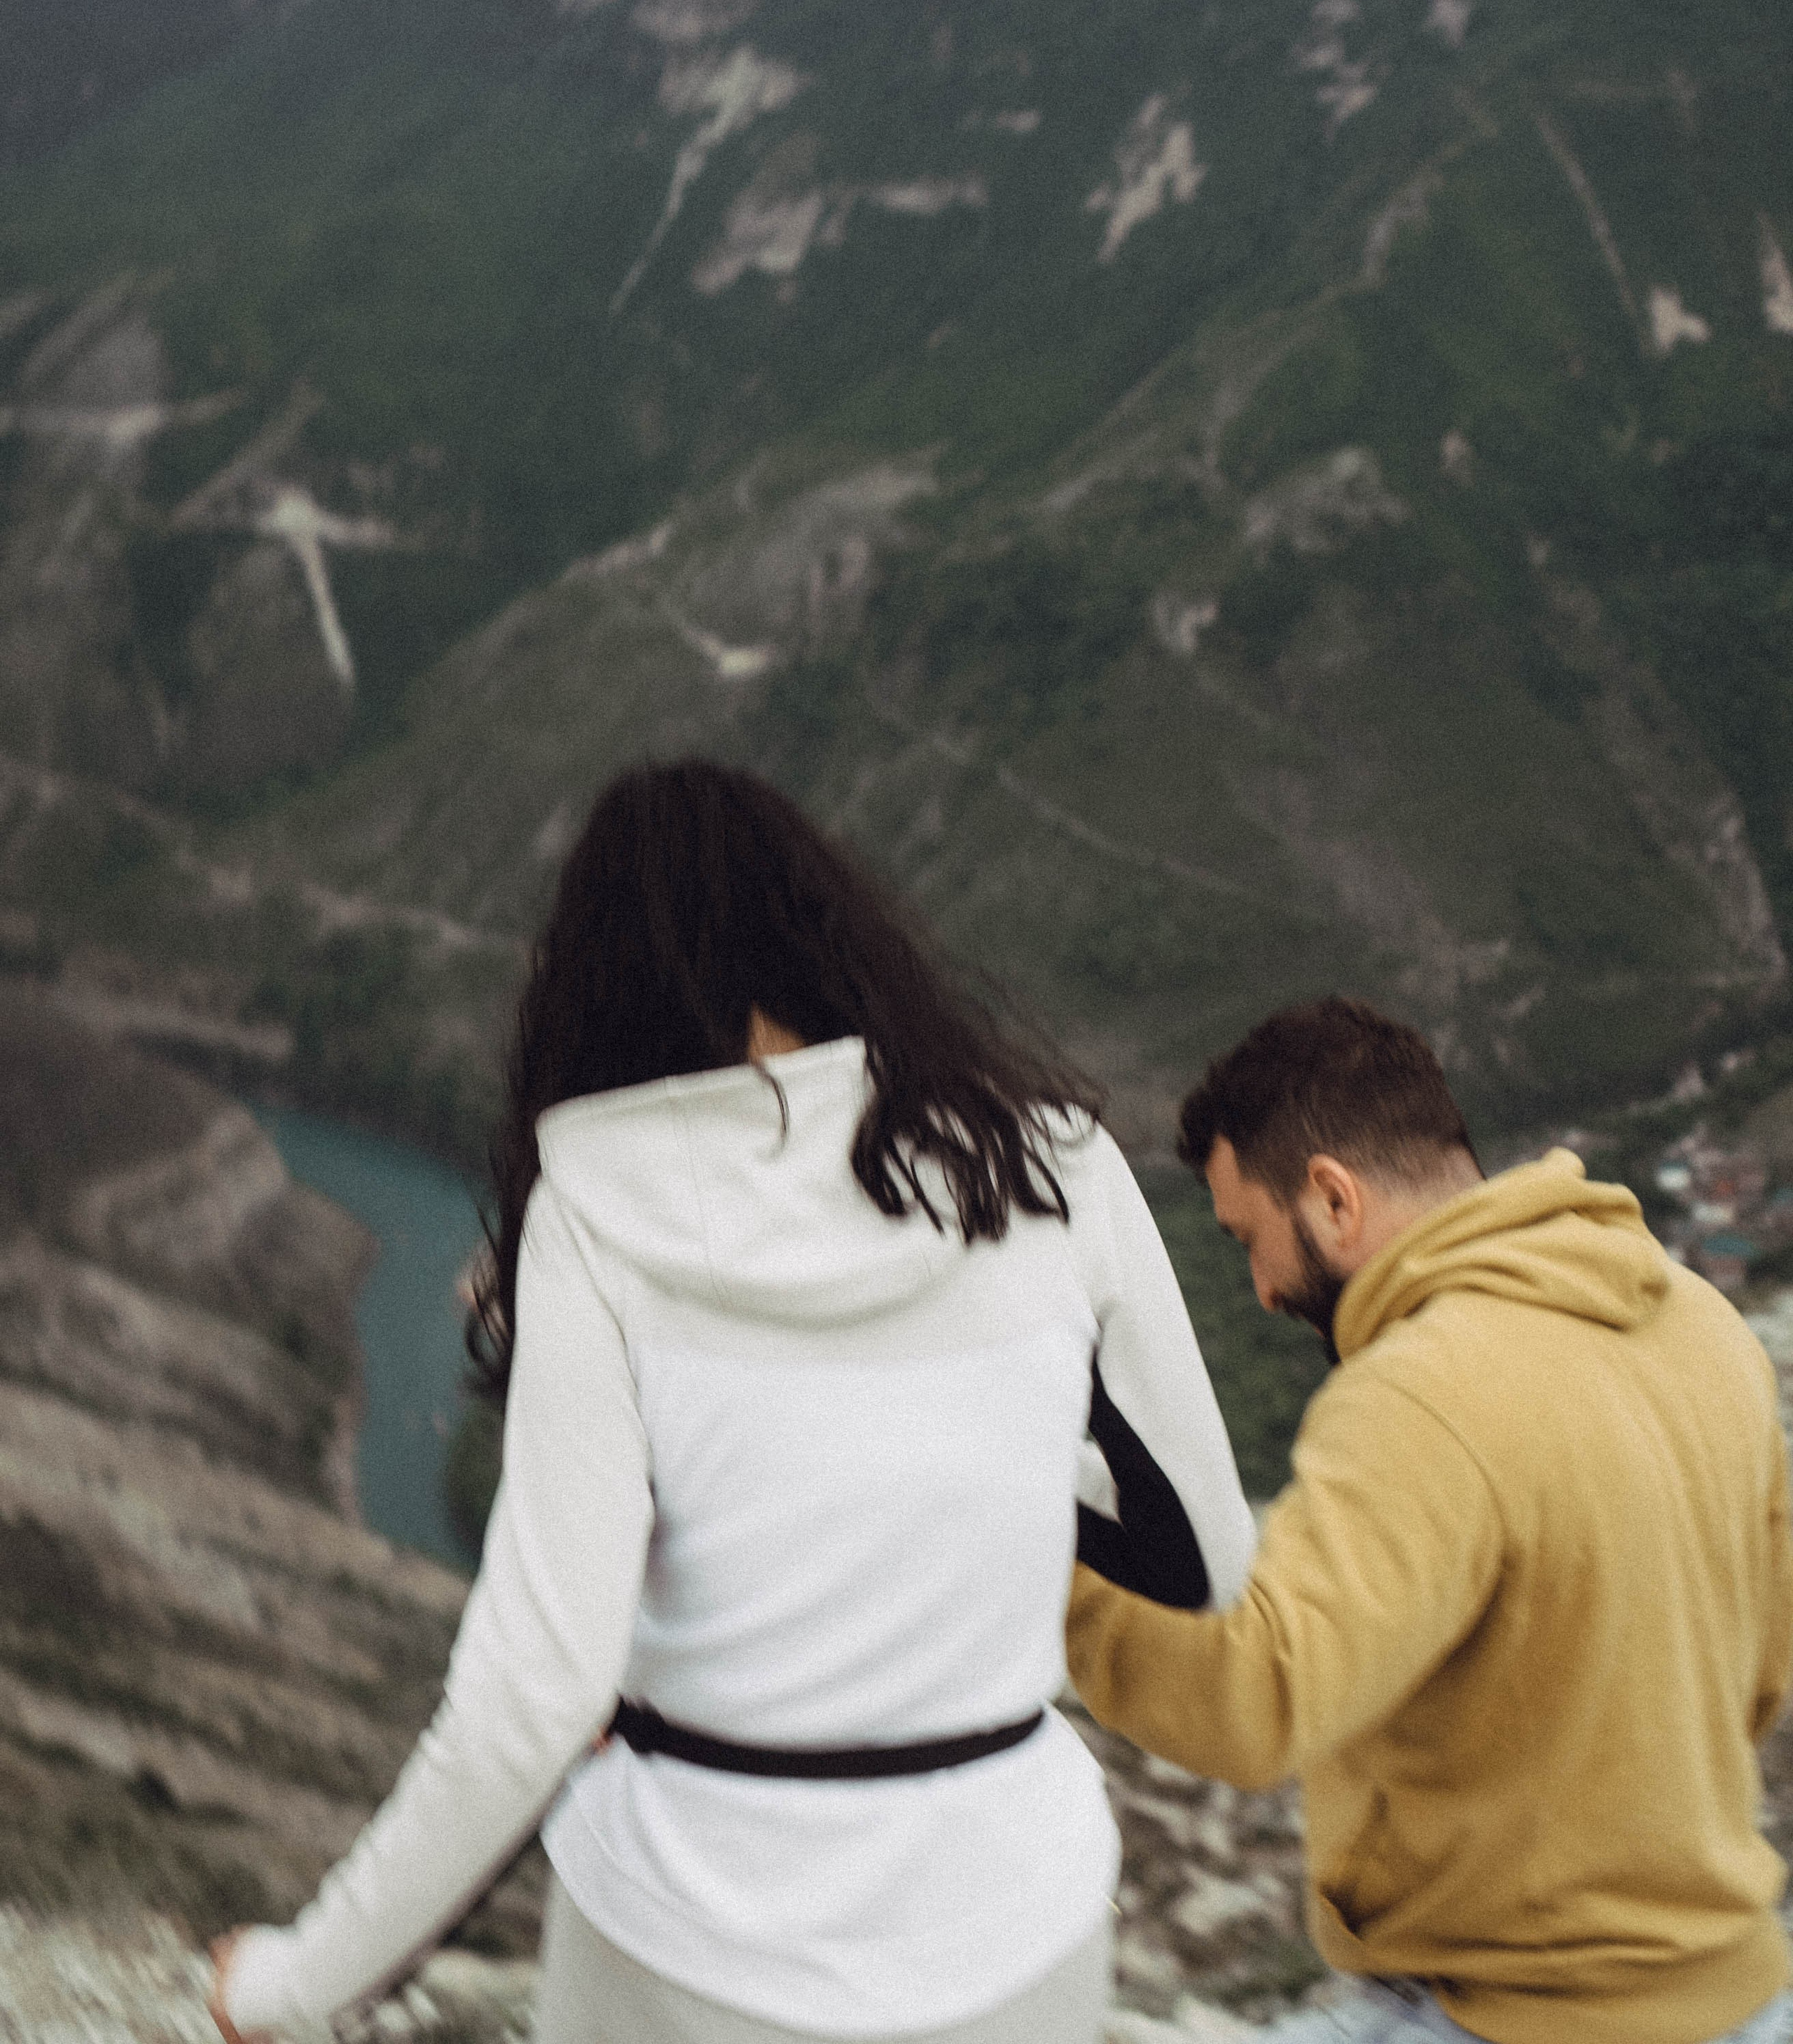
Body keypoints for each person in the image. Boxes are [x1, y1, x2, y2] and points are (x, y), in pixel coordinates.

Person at [212, 759, 1255, 2044]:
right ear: (830, 938)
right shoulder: (1061, 1170)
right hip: (1018, 1933)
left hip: (687, 1952)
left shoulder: (590, 1212)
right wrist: (992, 1457)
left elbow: (536, 1699)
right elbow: (1203, 1555)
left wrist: (289, 1986)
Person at [1067, 995, 1793, 2044]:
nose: (1262, 1290)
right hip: (1740, 1996)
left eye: (1249, 1239)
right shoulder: (1704, 1328)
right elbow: (1764, 1666)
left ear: (1332, 1198)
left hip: (1516, 2015)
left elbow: (1254, 1704)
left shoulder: (1417, 1394)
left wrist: (1050, 1554)